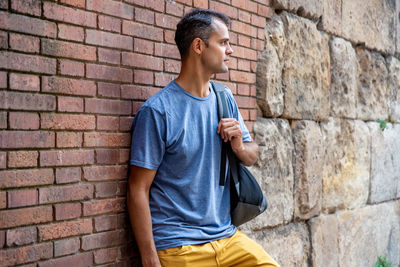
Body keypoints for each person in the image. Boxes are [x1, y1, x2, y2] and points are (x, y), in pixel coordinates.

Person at [127, 8, 280, 267]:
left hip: (227, 238)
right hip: (179, 245)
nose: (230, 50)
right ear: (198, 46)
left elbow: (252, 155)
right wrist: (150, 259)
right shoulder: (157, 112)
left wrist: (239, 146)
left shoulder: (224, 99)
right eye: (223, 43)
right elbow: (137, 189)